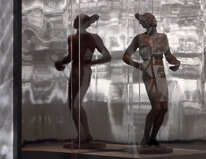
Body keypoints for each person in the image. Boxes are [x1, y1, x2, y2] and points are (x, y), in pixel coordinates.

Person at [122, 12, 181, 148]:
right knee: (156, 107)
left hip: (160, 71)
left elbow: (168, 55)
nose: (149, 21)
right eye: (145, 20)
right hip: (148, 71)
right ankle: (145, 139)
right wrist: (138, 65)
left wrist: (176, 62)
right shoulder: (140, 38)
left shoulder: (162, 37)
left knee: (164, 108)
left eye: (150, 19)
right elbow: (126, 56)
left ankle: (153, 138)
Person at [52, 12, 112, 147]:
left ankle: (82, 134)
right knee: (76, 104)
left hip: (78, 71)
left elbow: (71, 56)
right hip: (85, 71)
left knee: (73, 104)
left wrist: (58, 62)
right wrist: (91, 62)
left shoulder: (73, 38)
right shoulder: (94, 38)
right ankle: (86, 133)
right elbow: (107, 56)